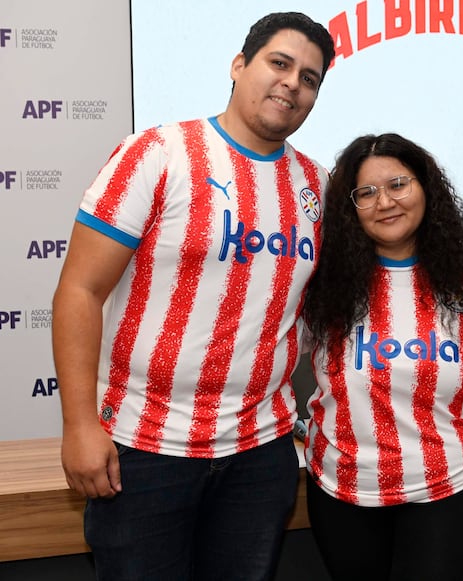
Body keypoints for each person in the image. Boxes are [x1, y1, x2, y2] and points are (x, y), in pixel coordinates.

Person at [51, 12, 335, 581]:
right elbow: (80, 290)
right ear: (238, 66)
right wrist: (80, 425)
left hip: (260, 452)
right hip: (144, 449)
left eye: (309, 77)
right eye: (279, 63)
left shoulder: (316, 186)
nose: (292, 83)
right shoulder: (157, 154)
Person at [301, 133, 463, 581]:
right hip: (344, 491)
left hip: (449, 486)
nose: (384, 202)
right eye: (366, 193)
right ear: (349, 208)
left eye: (398, 184)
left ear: (426, 188)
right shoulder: (322, 280)